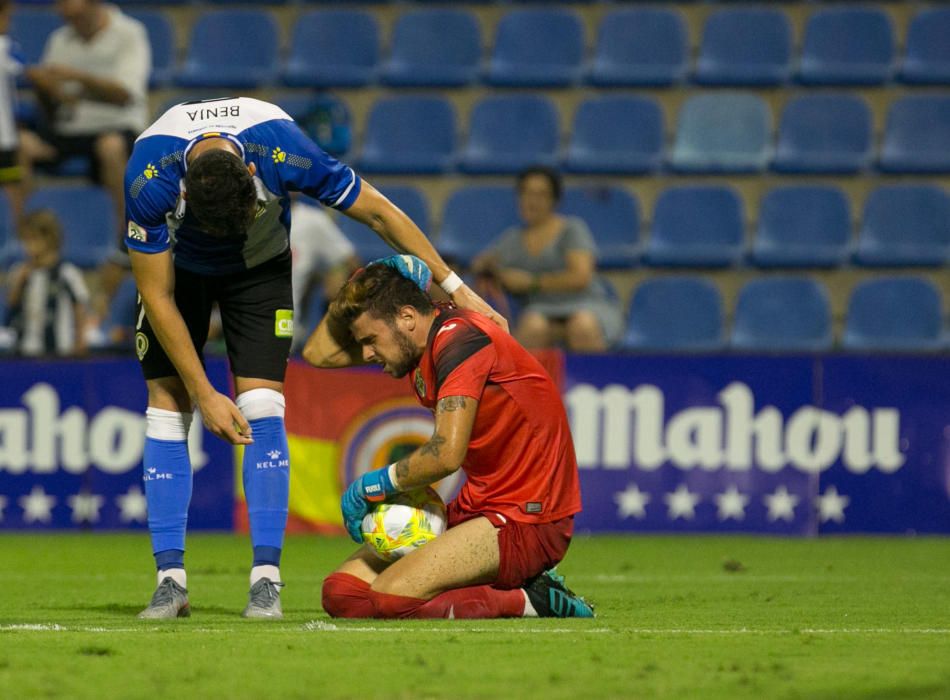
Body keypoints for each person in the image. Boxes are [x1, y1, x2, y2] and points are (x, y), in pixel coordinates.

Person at [123, 96, 504, 620]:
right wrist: (203, 392)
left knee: (261, 406)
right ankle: (170, 582)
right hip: (179, 278)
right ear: (183, 191)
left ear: (254, 171)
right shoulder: (149, 176)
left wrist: (456, 287)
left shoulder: (282, 146)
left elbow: (377, 211)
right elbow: (157, 296)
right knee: (168, 406)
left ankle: (266, 583)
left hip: (257, 272)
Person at [305, 259, 593, 619]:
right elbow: (318, 353)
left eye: (369, 341)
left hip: (529, 518)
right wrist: (360, 280)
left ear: (407, 318)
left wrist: (372, 485)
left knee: (389, 597)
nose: (365, 354)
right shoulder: (414, 344)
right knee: (342, 593)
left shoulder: (461, 341)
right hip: (479, 507)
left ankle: (531, 599)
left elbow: (446, 454)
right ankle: (495, 587)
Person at [20, 0, 150, 317]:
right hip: (71, 127)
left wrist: (75, 76)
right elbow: (56, 98)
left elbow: (124, 93)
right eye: (67, 15)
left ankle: (126, 236)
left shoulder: (130, 33)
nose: (71, 21)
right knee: (21, 144)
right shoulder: (60, 40)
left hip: (117, 125)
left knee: (109, 148)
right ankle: (22, 232)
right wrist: (45, 88)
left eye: (77, 15)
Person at [472, 166, 622, 352]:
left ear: (554, 200)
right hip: (541, 309)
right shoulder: (512, 238)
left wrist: (531, 283)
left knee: (582, 326)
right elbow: (483, 261)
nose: (532, 201)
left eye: (541, 194)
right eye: (527, 193)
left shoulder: (572, 229)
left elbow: (581, 277)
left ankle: (595, 379)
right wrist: (495, 271)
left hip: (585, 304)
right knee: (532, 327)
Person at [5, 209, 89, 357]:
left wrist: (80, 340)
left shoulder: (67, 273)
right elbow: (11, 304)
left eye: (32, 239)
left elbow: (79, 307)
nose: (27, 246)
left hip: (60, 350)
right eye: (24, 240)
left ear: (49, 239)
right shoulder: (20, 271)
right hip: (25, 350)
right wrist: (19, 283)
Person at [288, 196, 360, 351]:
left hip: (282, 331)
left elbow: (350, 262)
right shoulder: (246, 215)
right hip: (235, 322)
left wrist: (335, 274)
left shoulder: (313, 221)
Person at [0, 0, 23, 223]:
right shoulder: (5, 46)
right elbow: (27, 72)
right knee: (11, 190)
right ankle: (18, 235)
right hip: (4, 138)